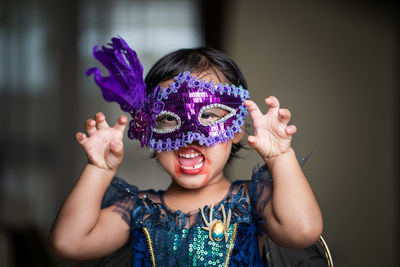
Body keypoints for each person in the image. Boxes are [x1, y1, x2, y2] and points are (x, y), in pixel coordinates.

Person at [49, 37, 325, 266]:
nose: (191, 136)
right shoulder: (140, 210)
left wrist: (279, 156)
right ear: (148, 133)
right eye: (168, 119)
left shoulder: (251, 201)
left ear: (237, 129)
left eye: (210, 117)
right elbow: (68, 243)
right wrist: (99, 169)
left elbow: (303, 231)